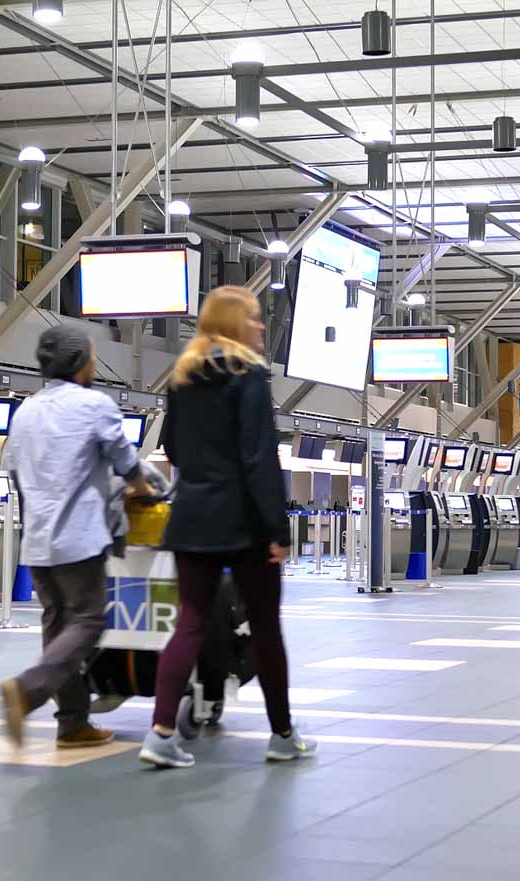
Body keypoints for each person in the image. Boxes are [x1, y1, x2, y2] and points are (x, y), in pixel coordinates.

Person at [138, 285, 315, 769]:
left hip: (192, 519)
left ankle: (160, 734)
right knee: (265, 629)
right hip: (246, 527)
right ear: (235, 325)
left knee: (189, 624)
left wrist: (202, 477)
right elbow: (259, 459)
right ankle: (282, 734)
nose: (261, 328)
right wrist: (278, 531)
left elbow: (172, 447)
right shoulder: (250, 377)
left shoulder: (182, 377)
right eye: (255, 319)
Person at [0, 325, 151, 749]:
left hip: (38, 542)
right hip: (79, 538)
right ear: (81, 362)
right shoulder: (93, 405)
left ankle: (72, 723)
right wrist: (140, 486)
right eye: (93, 356)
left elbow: (13, 471)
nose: (95, 364)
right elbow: (124, 458)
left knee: (57, 624)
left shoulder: (25, 410)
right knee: (88, 620)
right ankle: (28, 689)